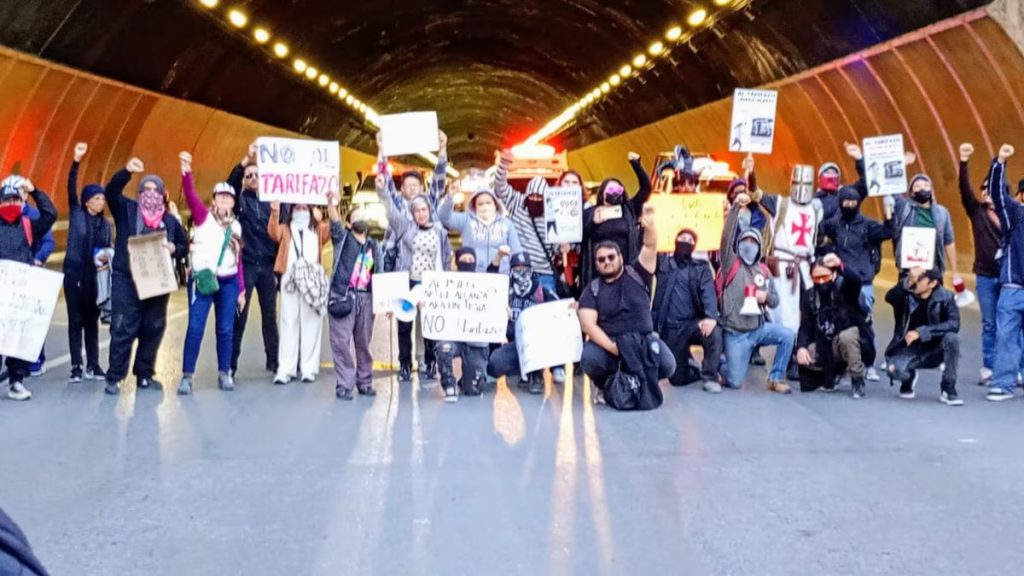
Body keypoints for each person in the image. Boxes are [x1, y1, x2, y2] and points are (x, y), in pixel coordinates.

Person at [103, 158, 188, 395]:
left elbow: (183, 244)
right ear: (139, 192)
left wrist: (174, 248)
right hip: (126, 278)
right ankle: (114, 376)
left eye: (155, 190)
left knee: (153, 327)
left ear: (162, 194)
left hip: (156, 280)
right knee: (123, 327)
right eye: (146, 190)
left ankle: (144, 374)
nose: (150, 194)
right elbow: (111, 192)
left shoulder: (169, 220)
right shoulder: (127, 210)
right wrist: (127, 171)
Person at [579, 204, 676, 404]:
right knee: (589, 359)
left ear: (620, 258)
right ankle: (606, 384)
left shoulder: (638, 272)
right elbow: (588, 324)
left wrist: (650, 226)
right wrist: (614, 347)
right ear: (596, 265)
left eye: (611, 257)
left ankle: (643, 381)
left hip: (642, 340)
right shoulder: (592, 289)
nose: (607, 261)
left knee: (668, 365)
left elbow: (650, 246)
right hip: (611, 344)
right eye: (601, 259)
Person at [176, 152, 245, 395]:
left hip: (228, 283)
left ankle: (224, 372)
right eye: (221, 198)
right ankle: (187, 375)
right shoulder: (203, 218)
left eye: (229, 198)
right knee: (195, 327)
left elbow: (239, 260)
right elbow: (191, 194)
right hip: (204, 280)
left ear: (233, 203)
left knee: (226, 329)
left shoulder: (236, 226)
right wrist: (186, 171)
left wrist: (242, 288)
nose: (225, 202)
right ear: (214, 201)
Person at [377, 174, 452, 384]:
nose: (420, 214)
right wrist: (383, 190)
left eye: (424, 210)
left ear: (429, 211)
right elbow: (390, 208)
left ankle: (429, 363)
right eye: (416, 210)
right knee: (404, 326)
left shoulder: (440, 232)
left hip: (430, 284)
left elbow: (446, 258)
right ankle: (405, 365)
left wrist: (446, 283)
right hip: (407, 283)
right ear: (412, 213)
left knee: (429, 326)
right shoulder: (404, 227)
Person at [816, 185, 894, 381]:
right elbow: (818, 229)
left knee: (865, 322)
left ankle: (869, 363)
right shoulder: (836, 224)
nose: (849, 205)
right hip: (840, 281)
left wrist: (889, 211)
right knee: (840, 322)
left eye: (853, 202)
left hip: (862, 281)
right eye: (845, 202)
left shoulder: (868, 225)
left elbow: (889, 231)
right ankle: (842, 363)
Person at [758, 162, 824, 381]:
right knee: (783, 314)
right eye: (798, 182)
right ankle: (785, 359)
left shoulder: (816, 208)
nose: (802, 187)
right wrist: (749, 171)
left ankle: (799, 354)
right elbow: (755, 193)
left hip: (804, 268)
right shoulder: (780, 204)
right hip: (783, 267)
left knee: (807, 312)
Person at [717, 225, 794, 394]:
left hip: (758, 329)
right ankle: (721, 363)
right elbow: (726, 239)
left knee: (787, 335)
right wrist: (735, 209)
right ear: (738, 243)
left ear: (759, 246)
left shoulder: (764, 271)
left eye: (753, 241)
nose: (749, 245)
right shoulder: (730, 264)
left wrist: (765, 297)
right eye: (745, 240)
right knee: (734, 382)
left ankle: (775, 378)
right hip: (735, 333)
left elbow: (775, 300)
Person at [0, 175, 57, 401]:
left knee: (17, 336)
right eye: (6, 200)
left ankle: (16, 381)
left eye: (15, 200)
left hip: (21, 290)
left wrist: (35, 191)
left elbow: (50, 214)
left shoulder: (29, 224)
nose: (10, 205)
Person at [227, 142, 280, 377]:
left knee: (270, 317)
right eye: (249, 176)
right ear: (245, 180)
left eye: (257, 174)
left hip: (268, 265)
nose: (253, 178)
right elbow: (230, 183)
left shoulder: (273, 201)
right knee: (240, 315)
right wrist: (245, 159)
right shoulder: (239, 202)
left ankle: (275, 360)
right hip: (247, 264)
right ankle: (231, 365)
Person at [957, 143, 1008, 387]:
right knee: (989, 323)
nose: (985, 192)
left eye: (991, 188)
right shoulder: (977, 211)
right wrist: (963, 162)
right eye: (983, 188)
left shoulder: (1013, 215)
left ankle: (1014, 367)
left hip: (1011, 277)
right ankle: (989, 366)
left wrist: (1000, 162)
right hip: (986, 276)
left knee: (1012, 324)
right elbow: (964, 190)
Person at [651, 228, 723, 392]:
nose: (686, 241)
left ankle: (710, 376)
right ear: (675, 241)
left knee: (715, 332)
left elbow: (708, 293)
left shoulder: (701, 267)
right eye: (682, 238)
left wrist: (711, 317)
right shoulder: (662, 263)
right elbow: (646, 248)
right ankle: (692, 367)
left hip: (692, 324)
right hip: (670, 328)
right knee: (677, 379)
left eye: (690, 240)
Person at [64, 143, 112, 384]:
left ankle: (93, 364)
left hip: (95, 279)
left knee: (92, 321)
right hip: (75, 276)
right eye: (96, 198)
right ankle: (76, 366)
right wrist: (76, 161)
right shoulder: (77, 214)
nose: (101, 202)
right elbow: (70, 188)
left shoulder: (105, 225)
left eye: (103, 198)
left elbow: (107, 252)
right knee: (75, 321)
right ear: (86, 201)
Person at [268, 200, 330, 385]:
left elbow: (334, 228)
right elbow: (272, 232)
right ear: (292, 211)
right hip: (290, 279)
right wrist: (274, 211)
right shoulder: (285, 229)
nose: (301, 211)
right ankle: (285, 368)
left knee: (311, 322)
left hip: (311, 280)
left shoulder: (318, 229)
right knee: (288, 322)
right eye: (297, 208)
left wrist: (330, 206)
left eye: (305, 208)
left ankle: (308, 368)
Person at [795, 255, 875, 398]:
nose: (820, 282)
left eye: (824, 277)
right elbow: (805, 327)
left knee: (847, 336)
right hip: (826, 344)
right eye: (816, 278)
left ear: (834, 274)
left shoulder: (845, 289)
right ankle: (832, 374)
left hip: (857, 344)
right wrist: (800, 348)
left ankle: (857, 379)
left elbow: (855, 280)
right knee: (808, 352)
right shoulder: (810, 297)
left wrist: (840, 264)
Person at [883, 267, 962, 405]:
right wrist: (908, 281)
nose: (915, 282)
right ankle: (908, 378)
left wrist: (921, 332)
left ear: (932, 283)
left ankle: (948, 388)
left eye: (919, 279)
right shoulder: (907, 294)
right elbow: (889, 297)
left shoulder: (946, 297)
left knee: (952, 339)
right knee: (893, 370)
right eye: (913, 278)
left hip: (936, 348)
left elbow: (954, 324)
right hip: (909, 348)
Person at [326, 195, 378, 400]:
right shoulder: (342, 239)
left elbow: (380, 273)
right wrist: (331, 204)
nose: (360, 220)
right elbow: (334, 222)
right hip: (343, 296)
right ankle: (344, 384)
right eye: (355, 217)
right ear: (349, 223)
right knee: (340, 341)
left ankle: (365, 381)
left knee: (363, 342)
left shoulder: (375, 246)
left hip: (367, 298)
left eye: (363, 216)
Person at [486, 252, 560, 395]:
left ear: (531, 269)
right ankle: (521, 369)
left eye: (525, 268)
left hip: (536, 343)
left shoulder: (541, 291)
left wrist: (571, 307)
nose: (522, 272)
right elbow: (490, 280)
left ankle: (536, 374)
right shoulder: (504, 290)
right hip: (513, 342)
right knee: (495, 364)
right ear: (511, 270)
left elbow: (558, 309)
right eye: (517, 269)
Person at [984, 144, 1024, 401]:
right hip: (1013, 288)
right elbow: (997, 193)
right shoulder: (1015, 215)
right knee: (1006, 336)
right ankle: (1003, 382)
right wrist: (1000, 162)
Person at [376, 130, 448, 272]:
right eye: (408, 186)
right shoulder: (397, 202)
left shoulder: (429, 202)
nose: (412, 189)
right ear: (401, 188)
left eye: (415, 185)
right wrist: (381, 150)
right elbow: (386, 179)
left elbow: (438, 179)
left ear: (422, 188)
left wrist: (443, 149)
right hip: (399, 262)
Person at [580, 153, 653, 286]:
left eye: (618, 190)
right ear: (602, 194)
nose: (614, 194)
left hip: (627, 269)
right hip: (599, 270)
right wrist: (593, 223)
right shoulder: (590, 213)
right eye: (611, 190)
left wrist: (636, 164)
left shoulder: (629, 209)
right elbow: (581, 237)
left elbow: (646, 188)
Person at [494, 151, 558, 293]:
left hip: (544, 273)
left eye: (539, 197)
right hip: (519, 270)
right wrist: (503, 164)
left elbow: (556, 246)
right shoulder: (517, 203)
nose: (535, 199)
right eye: (532, 196)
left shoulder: (552, 214)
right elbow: (500, 187)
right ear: (527, 195)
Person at [436, 247, 494, 401]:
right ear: (456, 262)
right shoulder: (446, 284)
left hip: (476, 342)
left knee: (475, 389)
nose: (467, 263)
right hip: (454, 337)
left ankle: (466, 380)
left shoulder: (485, 285)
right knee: (444, 348)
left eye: (471, 260)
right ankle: (448, 384)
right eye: (463, 260)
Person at [437, 185, 522, 273]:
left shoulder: (507, 224)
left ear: (495, 204)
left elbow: (516, 250)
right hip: (473, 274)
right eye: (480, 204)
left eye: (488, 203)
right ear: (474, 206)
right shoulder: (466, 220)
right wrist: (449, 199)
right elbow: (443, 217)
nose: (485, 206)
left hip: (501, 274)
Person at [890, 173, 960, 280]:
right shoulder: (904, 208)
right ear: (911, 192)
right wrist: (901, 165)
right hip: (909, 272)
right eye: (917, 186)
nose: (923, 188)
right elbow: (891, 190)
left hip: (933, 271)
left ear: (931, 190)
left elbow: (949, 241)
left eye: (926, 186)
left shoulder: (942, 213)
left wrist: (955, 272)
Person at [22, 190, 56, 378]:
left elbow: (48, 241)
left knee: (33, 318)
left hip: (31, 272)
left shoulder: (34, 215)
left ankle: (35, 358)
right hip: (11, 275)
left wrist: (38, 259)